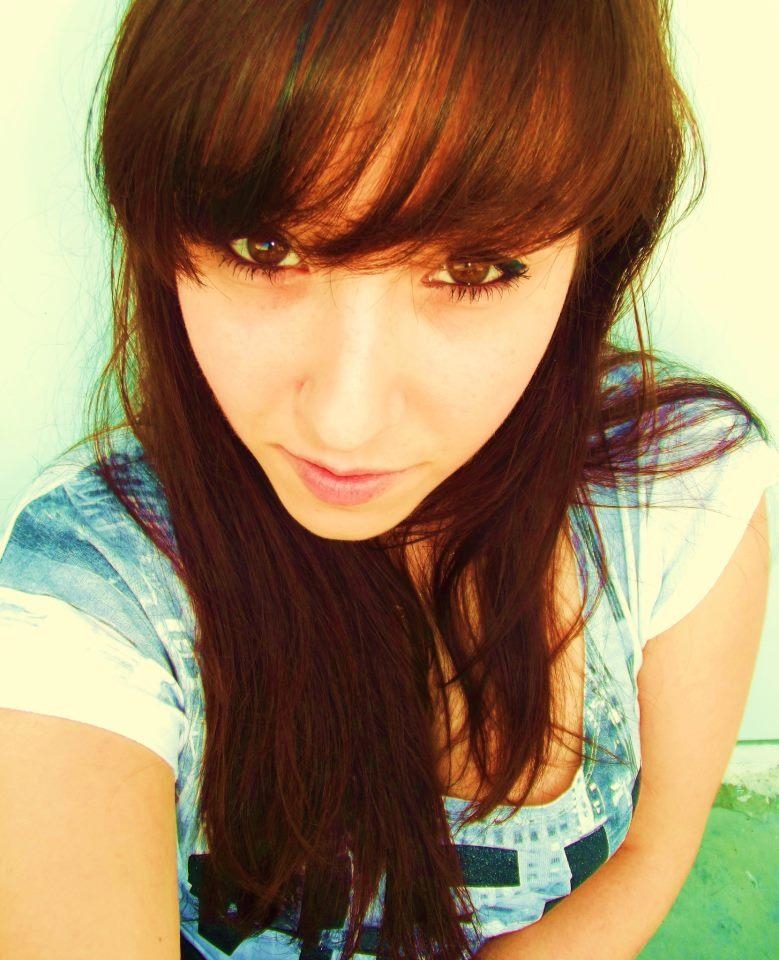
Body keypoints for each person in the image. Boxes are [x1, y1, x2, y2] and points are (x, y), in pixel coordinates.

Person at [1, 1, 777, 958]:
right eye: (266, 250)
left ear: (596, 252)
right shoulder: (93, 588)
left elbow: (650, 857)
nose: (345, 420)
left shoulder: (674, 490)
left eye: (473, 269)